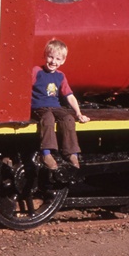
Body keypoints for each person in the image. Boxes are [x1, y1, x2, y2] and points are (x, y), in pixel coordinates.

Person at [30, 39, 90, 170]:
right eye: (50, 57)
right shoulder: (36, 71)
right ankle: (46, 153)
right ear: (45, 55)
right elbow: (25, 88)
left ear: (63, 61)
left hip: (55, 106)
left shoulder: (61, 76)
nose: (53, 62)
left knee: (68, 118)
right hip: (39, 106)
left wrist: (79, 113)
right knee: (48, 119)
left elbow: (69, 96)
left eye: (57, 59)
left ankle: (71, 153)